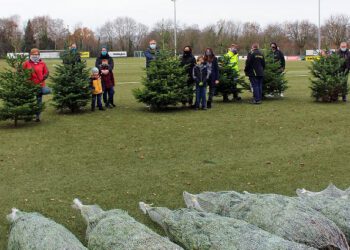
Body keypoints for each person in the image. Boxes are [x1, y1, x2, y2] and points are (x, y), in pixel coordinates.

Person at [23, 48, 50, 122]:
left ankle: (37, 116)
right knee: (29, 100)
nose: (36, 56)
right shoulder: (26, 63)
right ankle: (27, 115)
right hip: (29, 86)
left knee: (39, 101)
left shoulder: (42, 63)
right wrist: (26, 81)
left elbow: (46, 72)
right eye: (34, 54)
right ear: (31, 55)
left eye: (37, 54)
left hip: (40, 85)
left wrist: (44, 77)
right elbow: (21, 73)